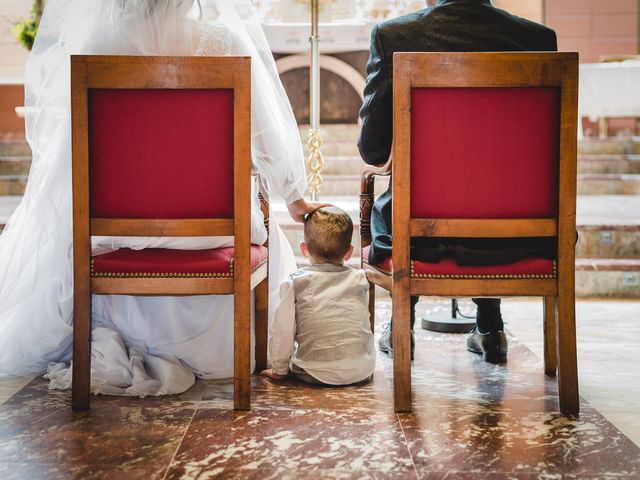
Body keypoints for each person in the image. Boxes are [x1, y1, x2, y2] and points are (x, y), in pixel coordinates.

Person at [0, 0, 324, 396]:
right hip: (215, 231)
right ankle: (238, 349)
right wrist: (296, 201)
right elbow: (268, 141)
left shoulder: (100, 45)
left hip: (119, 231)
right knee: (264, 228)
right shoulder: (222, 43)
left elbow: (73, 157)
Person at [358, 0, 558, 364]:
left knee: (400, 204)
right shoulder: (537, 39)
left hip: (421, 237)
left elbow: (372, 150)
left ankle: (403, 325)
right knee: (492, 182)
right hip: (520, 236)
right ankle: (490, 327)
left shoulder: (394, 36)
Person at [261, 207, 375, 385]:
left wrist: (279, 369)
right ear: (349, 251)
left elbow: (282, 330)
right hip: (361, 370)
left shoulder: (296, 283)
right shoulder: (360, 278)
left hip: (314, 371)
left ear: (304, 249)